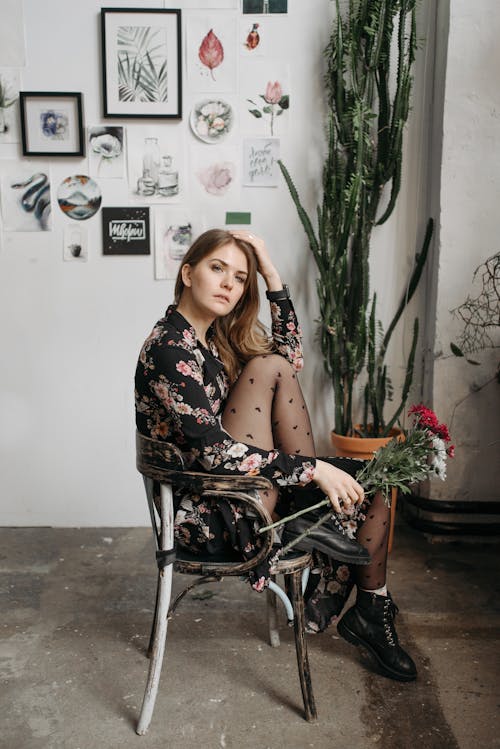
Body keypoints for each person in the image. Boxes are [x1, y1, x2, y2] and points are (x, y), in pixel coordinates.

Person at [135, 228, 417, 682]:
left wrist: (270, 272)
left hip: (244, 488)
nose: (229, 283)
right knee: (270, 373)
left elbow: (290, 361)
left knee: (375, 484)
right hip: (211, 511)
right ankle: (309, 501)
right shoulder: (170, 347)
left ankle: (370, 608)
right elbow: (215, 455)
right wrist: (312, 468)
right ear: (187, 273)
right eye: (217, 268)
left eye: (240, 277)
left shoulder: (212, 340)